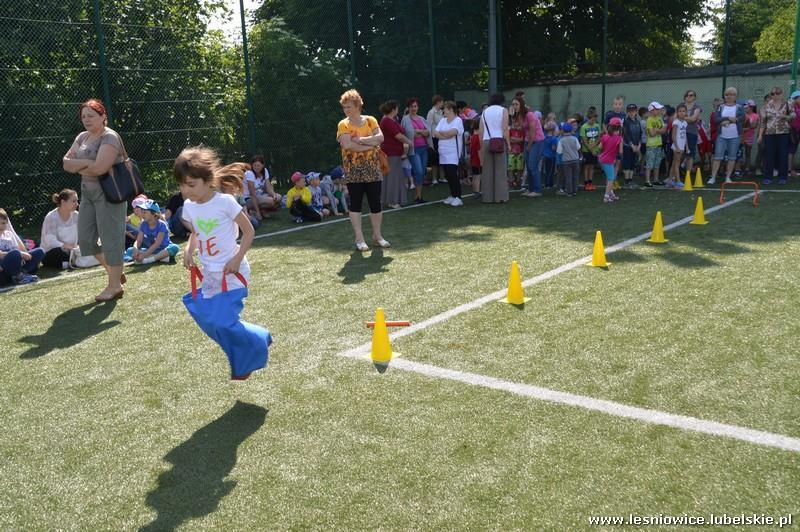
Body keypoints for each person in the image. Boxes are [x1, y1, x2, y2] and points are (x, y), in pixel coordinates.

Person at [174, 146, 267, 380]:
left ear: (207, 180)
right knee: (210, 321)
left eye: (191, 184)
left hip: (233, 272)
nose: (185, 190)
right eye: (182, 185)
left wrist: (237, 259)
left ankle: (254, 346)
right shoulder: (189, 207)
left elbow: (249, 231)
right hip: (210, 274)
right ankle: (258, 337)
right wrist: (189, 249)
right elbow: (196, 232)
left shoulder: (225, 202)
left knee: (223, 322)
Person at [61, 98, 127, 302]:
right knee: (86, 239)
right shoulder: (82, 137)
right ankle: (113, 270)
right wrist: (89, 162)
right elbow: (65, 164)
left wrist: (79, 164)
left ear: (103, 116)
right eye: (83, 116)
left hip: (110, 193)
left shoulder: (110, 137)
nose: (86, 120)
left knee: (111, 239)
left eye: (91, 115)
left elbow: (100, 169)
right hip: (87, 193)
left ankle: (114, 286)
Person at [336, 89, 389, 251]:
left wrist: (361, 140)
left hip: (373, 169)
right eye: (344, 107)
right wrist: (370, 144)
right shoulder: (343, 124)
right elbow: (347, 145)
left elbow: (380, 138)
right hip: (353, 170)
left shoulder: (371, 120)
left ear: (358, 105)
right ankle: (359, 238)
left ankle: (377, 236)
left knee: (375, 203)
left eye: (349, 106)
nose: (346, 110)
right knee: (356, 204)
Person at [379, 100, 414, 207]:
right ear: (393, 110)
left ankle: (391, 200)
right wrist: (409, 142)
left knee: (394, 176)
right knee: (392, 177)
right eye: (397, 108)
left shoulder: (390, 120)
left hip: (395, 153)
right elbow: (398, 135)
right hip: (391, 153)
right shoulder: (387, 121)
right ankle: (392, 201)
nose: (398, 110)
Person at [477, 93, 511, 203]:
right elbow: (505, 128)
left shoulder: (484, 112)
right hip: (499, 141)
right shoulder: (503, 110)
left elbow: (481, 131)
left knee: (487, 171)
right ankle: (500, 197)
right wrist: (509, 144)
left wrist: (482, 146)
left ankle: (487, 197)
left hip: (487, 141)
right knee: (500, 170)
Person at [759, 86, 795, 185]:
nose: (775, 95)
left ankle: (783, 177)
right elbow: (763, 122)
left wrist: (786, 116)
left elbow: (793, 115)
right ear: (771, 95)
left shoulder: (788, 104)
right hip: (769, 134)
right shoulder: (766, 106)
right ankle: (768, 177)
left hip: (784, 133)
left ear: (781, 93)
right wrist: (760, 135)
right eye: (773, 93)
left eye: (778, 93)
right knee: (769, 155)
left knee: (783, 155)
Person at [126, 200, 180, 264]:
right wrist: (135, 248)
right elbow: (139, 240)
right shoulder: (143, 224)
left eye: (145, 212)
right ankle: (161, 258)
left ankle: (149, 259)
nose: (142, 214)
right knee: (130, 251)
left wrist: (145, 255)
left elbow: (157, 243)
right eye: (142, 212)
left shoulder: (161, 225)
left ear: (154, 214)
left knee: (174, 248)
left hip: (163, 249)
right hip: (151, 250)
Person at [709, 87, 744, 185]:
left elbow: (742, 118)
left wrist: (735, 120)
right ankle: (713, 177)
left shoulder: (739, 107)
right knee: (718, 157)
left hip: (735, 136)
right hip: (722, 136)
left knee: (732, 157)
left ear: (735, 96)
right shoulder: (721, 107)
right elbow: (716, 119)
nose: (729, 96)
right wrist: (728, 118)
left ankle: (728, 177)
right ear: (724, 96)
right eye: (727, 94)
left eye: (732, 94)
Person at [0, 209, 45, 286]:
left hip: (16, 260)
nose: (2, 225)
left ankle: (22, 273)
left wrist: (21, 257)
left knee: (40, 251)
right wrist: (19, 254)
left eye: (4, 223)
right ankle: (19, 277)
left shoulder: (9, 234)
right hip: (3, 266)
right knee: (15, 253)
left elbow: (15, 248)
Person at [433, 101, 466, 207]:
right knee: (448, 175)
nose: (443, 111)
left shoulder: (458, 120)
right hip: (443, 152)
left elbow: (452, 133)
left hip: (453, 153)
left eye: (445, 109)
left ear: (451, 110)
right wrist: (445, 135)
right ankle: (452, 195)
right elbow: (435, 133)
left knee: (453, 174)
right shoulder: (443, 120)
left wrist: (444, 134)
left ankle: (458, 197)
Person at [40, 189, 79, 269]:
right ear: (63, 202)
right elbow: (50, 241)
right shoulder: (51, 217)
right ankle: (71, 261)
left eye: (77, 201)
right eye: (73, 201)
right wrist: (66, 246)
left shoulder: (77, 216)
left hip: (72, 250)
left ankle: (69, 262)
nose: (77, 204)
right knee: (59, 253)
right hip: (54, 252)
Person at [243, 155, 281, 222]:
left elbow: (268, 187)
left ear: (262, 165)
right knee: (271, 201)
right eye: (254, 165)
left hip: (260, 196)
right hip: (248, 199)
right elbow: (252, 194)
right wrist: (258, 213)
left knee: (278, 197)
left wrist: (273, 194)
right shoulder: (249, 174)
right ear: (252, 165)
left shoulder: (265, 171)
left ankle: (262, 210)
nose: (256, 167)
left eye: (258, 165)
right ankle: (256, 211)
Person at [522, 102, 545, 197]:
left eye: (516, 104)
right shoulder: (521, 116)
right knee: (528, 165)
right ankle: (531, 189)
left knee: (532, 165)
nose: (514, 106)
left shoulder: (530, 115)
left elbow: (533, 131)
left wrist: (529, 145)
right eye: (513, 104)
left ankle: (537, 190)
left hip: (537, 141)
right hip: (528, 141)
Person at [599, 118, 623, 203]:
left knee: (609, 177)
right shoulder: (619, 138)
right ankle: (606, 196)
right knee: (611, 178)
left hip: (602, 159)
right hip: (609, 161)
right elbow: (620, 152)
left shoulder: (605, 136)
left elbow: (600, 147)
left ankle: (611, 193)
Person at [645, 102, 666, 187]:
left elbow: (664, 130)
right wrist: (658, 130)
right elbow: (651, 133)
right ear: (652, 110)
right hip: (651, 145)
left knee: (657, 163)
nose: (659, 110)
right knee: (650, 163)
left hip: (658, 144)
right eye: (657, 109)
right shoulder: (649, 120)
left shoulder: (660, 118)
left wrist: (656, 130)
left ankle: (656, 180)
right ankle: (647, 180)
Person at [557, 123, 581, 197]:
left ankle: (569, 192)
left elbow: (559, 151)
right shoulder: (574, 138)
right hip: (575, 160)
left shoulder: (561, 140)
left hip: (566, 161)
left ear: (563, 131)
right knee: (575, 176)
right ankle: (575, 191)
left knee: (568, 176)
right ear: (571, 130)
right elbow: (578, 147)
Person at [682, 90, 703, 177]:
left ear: (694, 97)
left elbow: (694, 119)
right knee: (679, 153)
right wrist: (688, 118)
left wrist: (683, 117)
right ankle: (676, 174)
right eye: (687, 95)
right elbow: (675, 117)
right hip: (681, 132)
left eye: (691, 95)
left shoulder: (696, 106)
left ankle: (688, 175)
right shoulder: (682, 105)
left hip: (691, 132)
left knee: (690, 154)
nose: (689, 97)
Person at [579, 109, 601, 191]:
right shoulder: (583, 127)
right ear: (588, 118)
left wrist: (595, 147)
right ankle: (586, 183)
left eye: (595, 119)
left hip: (595, 150)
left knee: (592, 166)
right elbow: (584, 141)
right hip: (587, 151)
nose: (593, 121)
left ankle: (590, 182)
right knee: (586, 166)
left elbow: (599, 137)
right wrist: (591, 150)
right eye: (592, 119)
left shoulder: (597, 126)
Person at [668, 103, 689, 187]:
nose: (682, 113)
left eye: (683, 111)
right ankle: (678, 180)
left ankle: (670, 180)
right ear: (677, 112)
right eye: (680, 111)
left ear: (686, 112)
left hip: (682, 145)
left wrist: (687, 146)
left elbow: (685, 135)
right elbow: (673, 136)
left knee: (674, 163)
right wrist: (676, 147)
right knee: (677, 164)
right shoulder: (676, 122)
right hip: (677, 146)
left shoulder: (685, 123)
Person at [622, 103, 642, 188]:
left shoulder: (638, 122)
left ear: (636, 112)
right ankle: (627, 181)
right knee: (627, 162)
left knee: (632, 163)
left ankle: (630, 180)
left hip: (636, 147)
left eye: (633, 111)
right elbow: (625, 135)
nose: (631, 113)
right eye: (629, 111)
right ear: (627, 112)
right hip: (627, 146)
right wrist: (632, 145)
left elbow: (640, 134)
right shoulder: (626, 122)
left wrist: (639, 145)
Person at [508, 97, 527, 188]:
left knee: (520, 168)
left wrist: (513, 139)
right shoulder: (510, 129)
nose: (516, 123)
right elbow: (508, 138)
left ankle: (519, 181)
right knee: (510, 168)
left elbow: (522, 139)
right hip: (511, 151)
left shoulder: (522, 129)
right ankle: (511, 181)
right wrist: (515, 139)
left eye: (516, 104)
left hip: (520, 150)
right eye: (513, 104)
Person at [426, 95, 445, 184]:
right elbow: (428, 126)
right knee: (434, 158)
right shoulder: (431, 112)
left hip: (441, 138)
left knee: (441, 157)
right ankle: (434, 179)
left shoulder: (442, 112)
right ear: (438, 102)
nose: (443, 103)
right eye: (441, 102)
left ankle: (442, 177)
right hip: (434, 138)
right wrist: (429, 141)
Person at [741, 100, 760, 176]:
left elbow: (754, 126)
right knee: (739, 152)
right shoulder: (742, 115)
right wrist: (747, 126)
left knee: (748, 153)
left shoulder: (756, 116)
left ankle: (747, 168)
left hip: (749, 136)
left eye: (747, 107)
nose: (745, 109)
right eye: (745, 108)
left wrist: (746, 126)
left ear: (751, 107)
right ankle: (738, 168)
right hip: (741, 136)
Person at [542, 122, 559, 189]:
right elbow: (553, 148)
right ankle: (549, 184)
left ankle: (546, 183)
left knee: (546, 170)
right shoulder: (554, 138)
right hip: (551, 156)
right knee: (551, 171)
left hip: (545, 155)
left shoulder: (544, 137)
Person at [788, 91, 800, 177]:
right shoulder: (790, 107)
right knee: (791, 150)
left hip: (798, 130)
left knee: (792, 150)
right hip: (793, 131)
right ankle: (789, 170)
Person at [469, 120, 482, 200]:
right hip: (477, 160)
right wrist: (481, 161)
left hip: (473, 159)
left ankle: (475, 191)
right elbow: (479, 150)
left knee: (474, 176)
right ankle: (477, 192)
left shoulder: (473, 136)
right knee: (478, 176)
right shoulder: (478, 137)